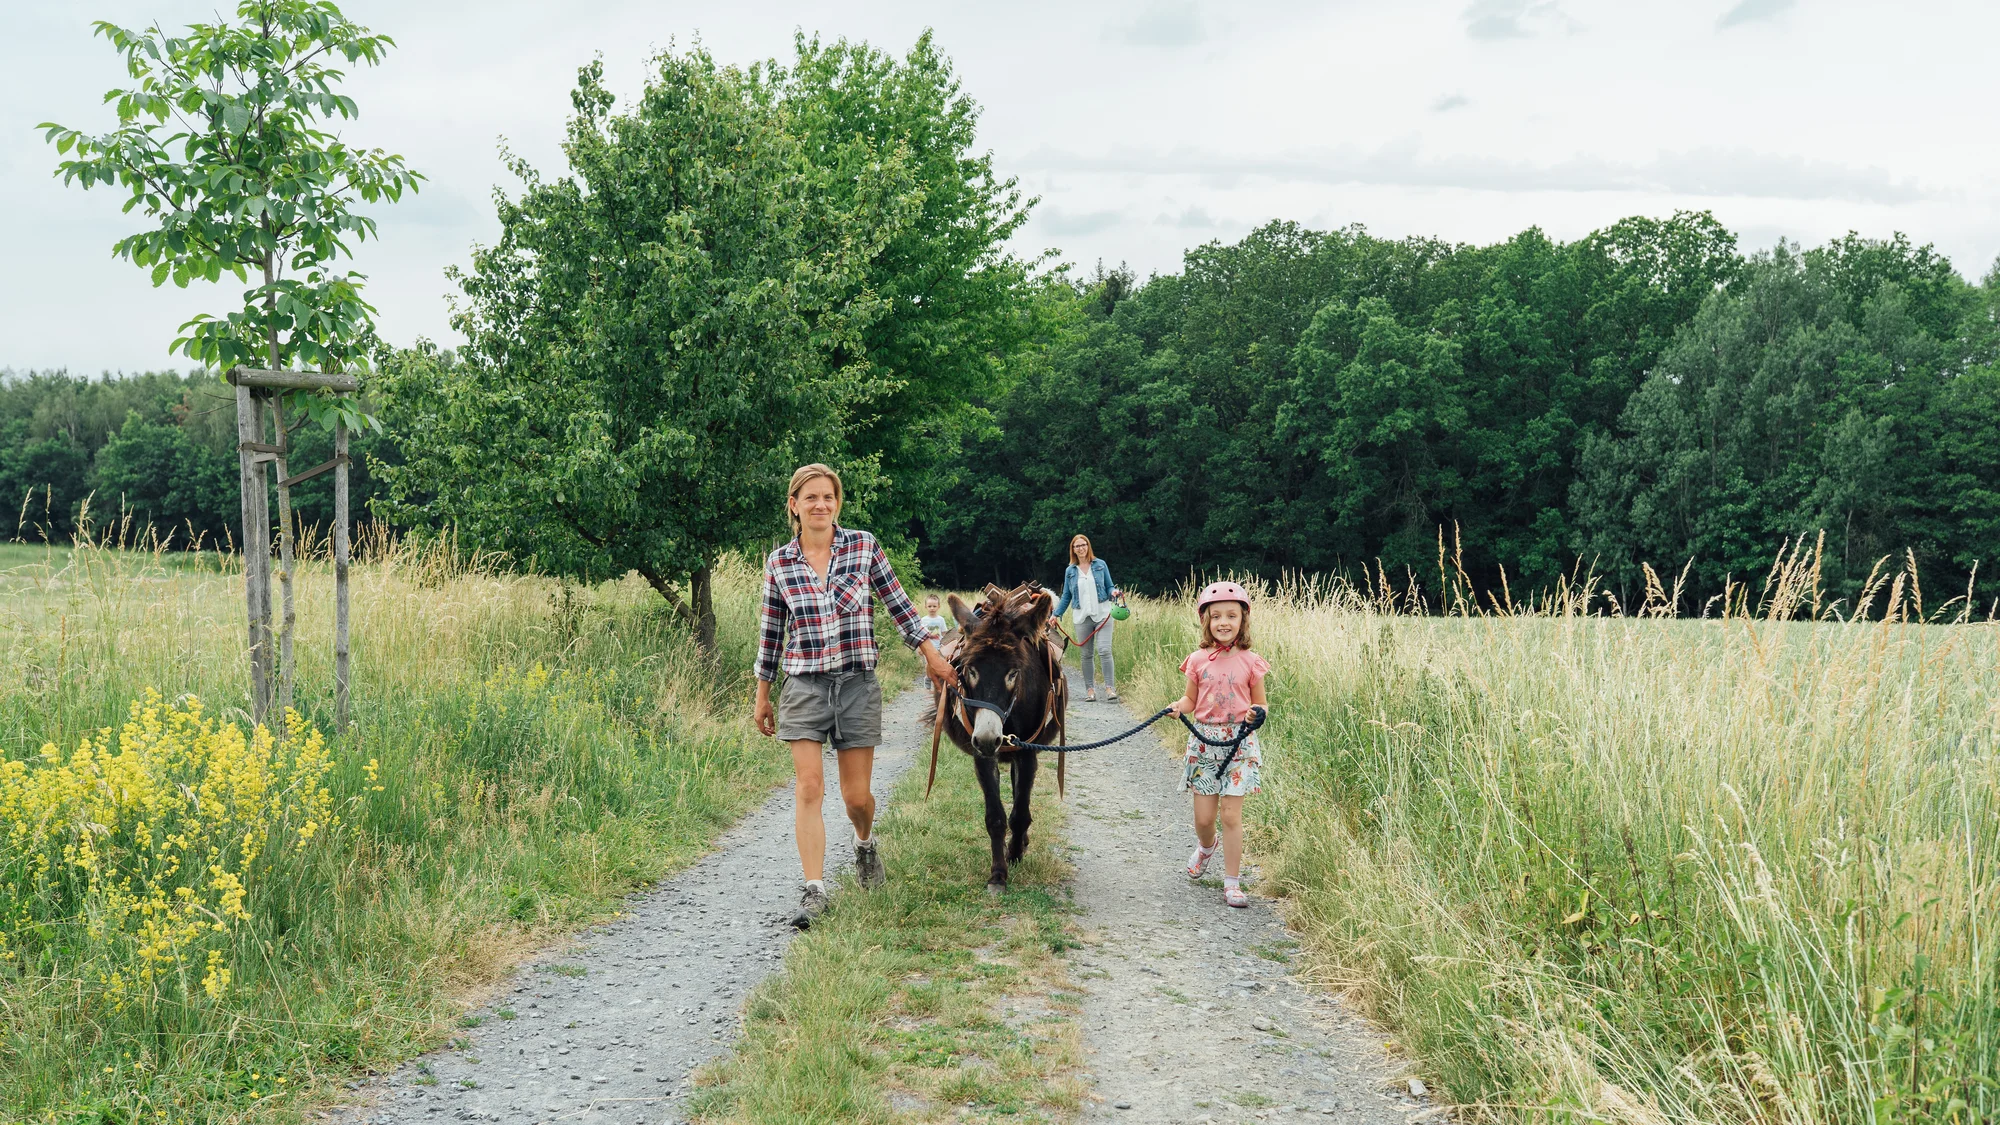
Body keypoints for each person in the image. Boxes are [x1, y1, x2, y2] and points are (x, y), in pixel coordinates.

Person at [752, 463, 959, 929]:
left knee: (857, 798)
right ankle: (815, 889)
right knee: (809, 786)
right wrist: (762, 694)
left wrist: (931, 655)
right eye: (810, 498)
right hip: (803, 685)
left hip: (857, 685)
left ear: (837, 503)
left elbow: (900, 607)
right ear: (794, 506)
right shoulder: (779, 563)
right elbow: (771, 633)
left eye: (828, 497)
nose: (820, 504)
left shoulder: (863, 547)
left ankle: (864, 844)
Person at [1165, 581, 1269, 909]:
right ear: (1206, 621)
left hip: (1239, 744)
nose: (1224, 622)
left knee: (1231, 816)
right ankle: (1206, 847)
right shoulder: (1198, 660)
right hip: (1204, 744)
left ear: (1243, 620)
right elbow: (1190, 700)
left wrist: (1257, 713)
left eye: (1231, 616)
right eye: (1216, 616)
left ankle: (1232, 882)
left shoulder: (1251, 661)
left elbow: (1261, 703)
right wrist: (1179, 707)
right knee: (1204, 819)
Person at [1052, 534, 1120, 702]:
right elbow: (1066, 595)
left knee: (1104, 650)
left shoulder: (1100, 565)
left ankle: (1110, 688)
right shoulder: (1070, 571)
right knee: (1086, 654)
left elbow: (1109, 585)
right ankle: (1090, 690)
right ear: (1073, 550)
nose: (1081, 548)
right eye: (1077, 546)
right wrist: (1056, 614)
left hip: (1103, 614)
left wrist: (1113, 592)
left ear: (1088, 546)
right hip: (1082, 617)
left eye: (1083, 545)